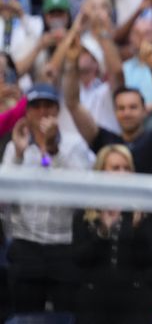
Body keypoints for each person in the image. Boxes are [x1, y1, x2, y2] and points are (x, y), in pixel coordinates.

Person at [0, 83, 95, 314]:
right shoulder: (15, 147)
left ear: (57, 111)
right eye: (36, 106)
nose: (43, 112)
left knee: (67, 316)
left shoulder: (74, 145)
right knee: (25, 317)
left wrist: (54, 151)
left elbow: (85, 196)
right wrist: (19, 157)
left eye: (48, 106)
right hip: (26, 245)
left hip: (64, 245)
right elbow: (3, 202)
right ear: (27, 112)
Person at [72, 145, 152, 324]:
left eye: (126, 168)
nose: (123, 173)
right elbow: (79, 259)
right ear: (101, 172)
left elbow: (151, 260)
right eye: (115, 168)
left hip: (135, 305)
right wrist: (102, 232)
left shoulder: (142, 210)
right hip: (94, 305)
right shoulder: (86, 213)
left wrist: (137, 229)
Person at [64, 35, 152, 175]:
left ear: (145, 111)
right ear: (115, 112)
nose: (126, 112)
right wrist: (71, 64)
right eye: (121, 108)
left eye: (133, 107)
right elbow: (73, 104)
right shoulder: (104, 140)